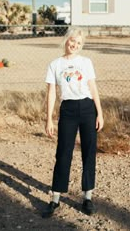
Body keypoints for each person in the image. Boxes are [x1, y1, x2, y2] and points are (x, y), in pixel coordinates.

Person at [42, 27, 104, 218]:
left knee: (88, 151)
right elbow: (52, 92)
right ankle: (55, 199)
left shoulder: (86, 62)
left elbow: (93, 88)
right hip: (67, 110)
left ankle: (87, 197)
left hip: (87, 109)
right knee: (63, 153)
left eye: (78, 43)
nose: (74, 45)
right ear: (66, 40)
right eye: (72, 41)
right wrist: (49, 118)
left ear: (81, 45)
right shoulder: (55, 64)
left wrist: (99, 113)